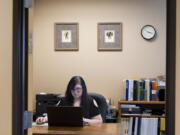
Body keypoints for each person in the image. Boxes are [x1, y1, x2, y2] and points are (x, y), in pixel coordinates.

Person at [36, 76, 103, 124]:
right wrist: (44, 119)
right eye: (73, 89)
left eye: (78, 89)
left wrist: (84, 120)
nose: (75, 92)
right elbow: (53, 115)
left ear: (83, 88)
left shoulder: (90, 101)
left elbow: (99, 121)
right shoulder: (63, 101)